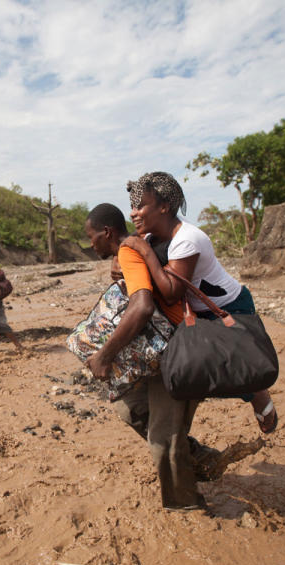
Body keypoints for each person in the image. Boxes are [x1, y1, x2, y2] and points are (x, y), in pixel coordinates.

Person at [119, 171, 278, 434]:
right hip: (197, 314)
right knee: (205, 375)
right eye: (132, 207)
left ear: (164, 206)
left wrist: (145, 253)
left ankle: (258, 393)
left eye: (141, 206)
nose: (134, 213)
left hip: (229, 308)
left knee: (234, 372)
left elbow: (171, 292)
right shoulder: (151, 238)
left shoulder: (187, 239)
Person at [83, 203, 212, 512]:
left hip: (176, 351)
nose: (90, 244)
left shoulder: (129, 252)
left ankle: (186, 506)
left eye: (91, 237)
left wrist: (104, 355)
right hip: (161, 351)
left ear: (107, 232)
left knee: (163, 438)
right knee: (130, 409)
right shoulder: (127, 253)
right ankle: (199, 456)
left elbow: (141, 308)